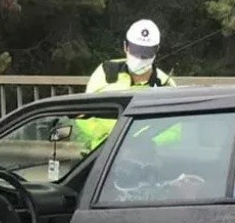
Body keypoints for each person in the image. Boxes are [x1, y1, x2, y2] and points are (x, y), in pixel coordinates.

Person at [76, 19, 178, 155]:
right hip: (100, 155)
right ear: (125, 46)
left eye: (146, 53)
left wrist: (143, 141)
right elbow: (82, 114)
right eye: (135, 51)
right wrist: (106, 135)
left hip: (144, 158)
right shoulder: (106, 72)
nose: (140, 58)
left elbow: (175, 130)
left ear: (156, 50)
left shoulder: (165, 84)